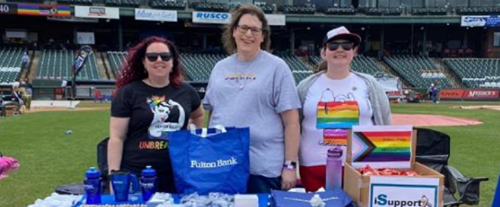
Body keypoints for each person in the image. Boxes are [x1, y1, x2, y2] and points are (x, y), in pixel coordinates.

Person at [203, 4, 301, 193]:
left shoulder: (277, 68)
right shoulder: (219, 68)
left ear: (263, 36)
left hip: (263, 168)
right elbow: (211, 113)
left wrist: (290, 165)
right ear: (233, 32)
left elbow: (292, 122)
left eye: (255, 30)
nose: (249, 34)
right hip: (224, 164)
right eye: (244, 28)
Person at [297, 26, 392, 192]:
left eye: (346, 46)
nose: (340, 50)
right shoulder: (306, 86)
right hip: (313, 168)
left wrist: (387, 165)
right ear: (323, 52)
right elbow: (293, 125)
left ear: (354, 52)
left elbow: (385, 124)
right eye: (333, 46)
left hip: (361, 168)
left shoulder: (369, 84)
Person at [108, 36, 204, 193]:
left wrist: (191, 130)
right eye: (152, 57)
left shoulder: (187, 91)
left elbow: (199, 115)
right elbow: (117, 138)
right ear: (144, 62)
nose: (159, 60)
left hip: (177, 173)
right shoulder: (128, 93)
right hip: (136, 174)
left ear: (173, 62)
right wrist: (114, 176)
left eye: (165, 56)